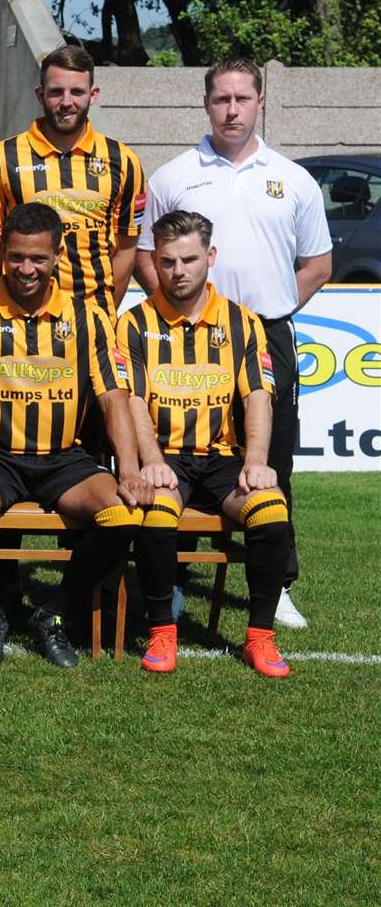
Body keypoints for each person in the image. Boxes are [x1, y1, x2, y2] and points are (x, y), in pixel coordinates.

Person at [135, 57, 331, 630]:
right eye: (222, 99)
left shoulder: (293, 179)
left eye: (242, 99)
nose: (232, 110)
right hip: (183, 336)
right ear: (206, 104)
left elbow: (318, 264)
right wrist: (174, 309)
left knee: (272, 460)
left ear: (260, 101)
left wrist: (269, 311)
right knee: (179, 457)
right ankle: (170, 580)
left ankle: (277, 584)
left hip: (263, 333)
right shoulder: (172, 176)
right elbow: (149, 255)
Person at [0, 202, 149, 669]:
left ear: (57, 256)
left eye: (37, 258)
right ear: (2, 254)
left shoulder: (91, 318)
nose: (26, 269)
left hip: (64, 461)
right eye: (15, 257)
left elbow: (114, 399)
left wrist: (130, 472)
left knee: (124, 514)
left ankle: (52, 613)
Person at [120, 210, 294, 677]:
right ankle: (162, 630)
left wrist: (256, 461)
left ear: (210, 257)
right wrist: (150, 459)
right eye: (168, 261)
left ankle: (260, 638)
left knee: (273, 513)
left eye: (189, 259)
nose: (179, 271)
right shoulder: (133, 323)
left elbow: (258, 394)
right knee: (156, 511)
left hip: (220, 460)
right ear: (154, 262)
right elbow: (132, 398)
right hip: (165, 458)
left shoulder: (242, 323)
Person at [0, 44, 146, 319]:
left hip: (93, 319)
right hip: (23, 320)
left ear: (93, 94)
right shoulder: (2, 157)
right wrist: (10, 309)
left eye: (77, 91)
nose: (67, 102)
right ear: (40, 94)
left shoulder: (123, 161)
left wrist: (102, 314)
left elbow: (126, 247)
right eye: (56, 92)